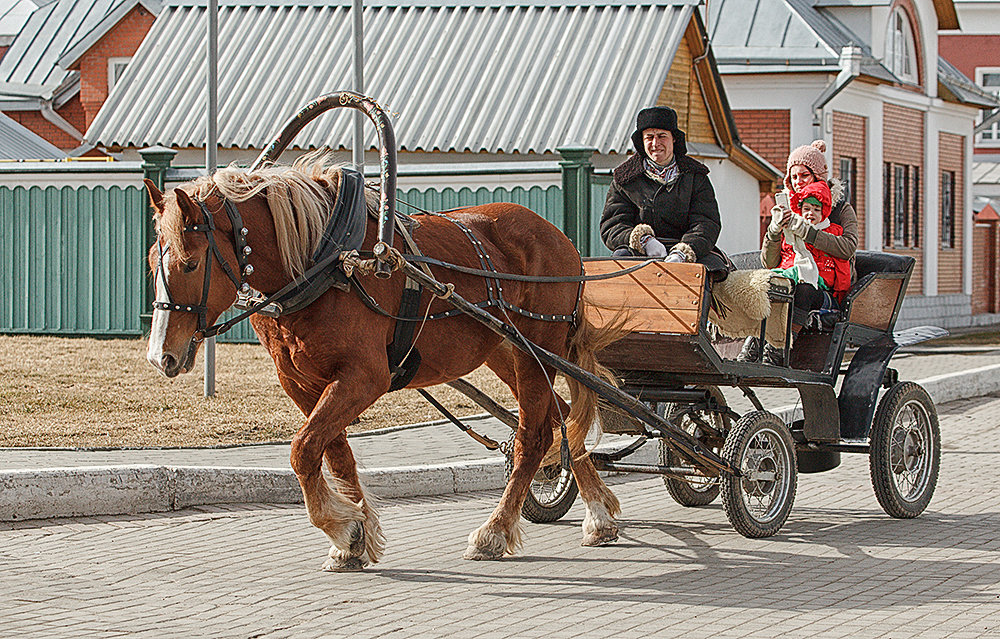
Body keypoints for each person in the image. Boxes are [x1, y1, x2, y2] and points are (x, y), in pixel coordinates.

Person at [738, 139, 859, 364]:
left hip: (825, 288)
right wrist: (774, 230)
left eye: (804, 175)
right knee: (767, 285)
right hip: (792, 277)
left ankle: (780, 348)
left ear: (818, 176)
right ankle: (752, 348)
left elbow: (848, 247)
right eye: (794, 177)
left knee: (801, 292)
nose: (799, 182)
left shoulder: (840, 209)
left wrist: (808, 232)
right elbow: (769, 261)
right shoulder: (789, 210)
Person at [599, 106, 729, 278]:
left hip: (687, 251)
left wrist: (683, 252)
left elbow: (706, 222)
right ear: (641, 141)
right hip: (639, 253)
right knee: (618, 264)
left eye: (662, 136)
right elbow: (612, 225)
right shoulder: (624, 178)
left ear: (674, 139)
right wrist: (644, 241)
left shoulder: (696, 176)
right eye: (649, 137)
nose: (655, 144)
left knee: (713, 273)